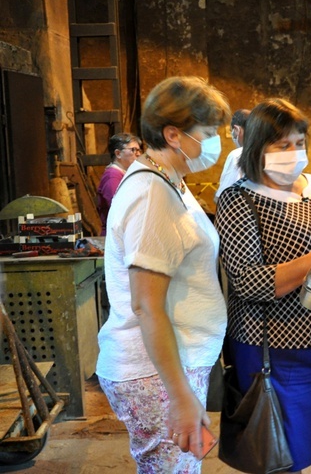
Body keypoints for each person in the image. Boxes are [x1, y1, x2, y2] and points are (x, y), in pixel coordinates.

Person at [215, 98, 311, 474]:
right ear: (257, 148)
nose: (294, 153)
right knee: (279, 457)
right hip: (275, 353)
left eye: (299, 143)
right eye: (283, 145)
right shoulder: (239, 201)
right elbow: (247, 281)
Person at [96, 76, 231, 473]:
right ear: (174, 134)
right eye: (207, 133)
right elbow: (146, 306)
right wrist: (180, 396)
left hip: (175, 364)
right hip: (156, 372)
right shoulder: (151, 194)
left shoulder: (169, 181)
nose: (213, 143)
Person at [96, 132, 142, 235]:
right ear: (118, 154)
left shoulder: (123, 174)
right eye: (133, 150)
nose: (138, 154)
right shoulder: (113, 177)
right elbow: (120, 210)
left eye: (138, 150)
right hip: (115, 235)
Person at [214, 108, 250, 204]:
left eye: (231, 131)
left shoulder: (237, 155)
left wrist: (216, 197)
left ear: (237, 130)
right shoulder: (267, 152)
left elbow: (224, 198)